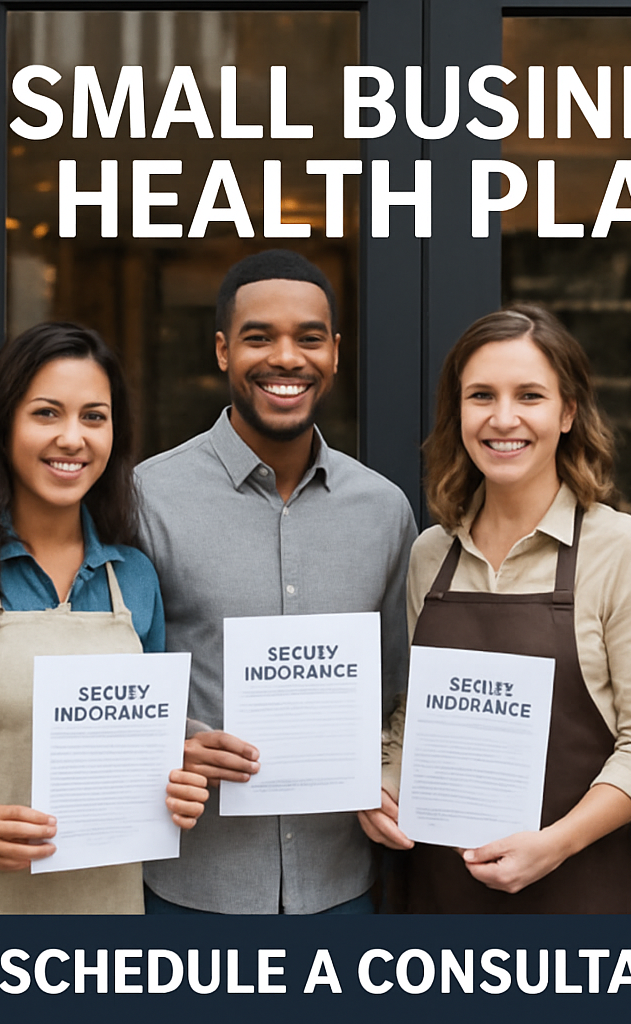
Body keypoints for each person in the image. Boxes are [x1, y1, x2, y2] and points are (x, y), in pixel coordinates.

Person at [359, 304, 631, 913]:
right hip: (438, 889)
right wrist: (385, 784)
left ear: (568, 413)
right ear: (458, 413)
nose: (503, 418)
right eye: (481, 395)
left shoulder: (624, 550)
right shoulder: (432, 553)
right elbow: (417, 717)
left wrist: (555, 844)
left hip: (576, 885)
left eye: (529, 395)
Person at [0, 322, 207, 914]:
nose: (72, 438)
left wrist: (180, 779)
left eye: (94, 417)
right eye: (46, 414)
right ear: (3, 425)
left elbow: (150, 745)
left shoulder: (133, 577)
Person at [136, 249, 416, 915]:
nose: (286, 359)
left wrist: (387, 769)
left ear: (336, 353)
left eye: (309, 338)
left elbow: (400, 688)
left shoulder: (383, 510)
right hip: (194, 887)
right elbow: (113, 682)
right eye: (259, 337)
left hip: (342, 885)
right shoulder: (145, 499)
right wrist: (171, 739)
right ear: (223, 351)